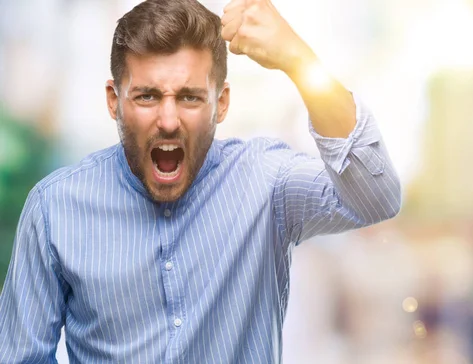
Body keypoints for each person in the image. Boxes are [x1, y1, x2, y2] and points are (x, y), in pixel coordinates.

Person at [0, 0, 401, 362]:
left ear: (221, 103)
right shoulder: (55, 209)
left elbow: (375, 197)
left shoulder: (265, 183)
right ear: (113, 100)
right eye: (147, 96)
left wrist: (299, 62)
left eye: (190, 97)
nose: (169, 120)